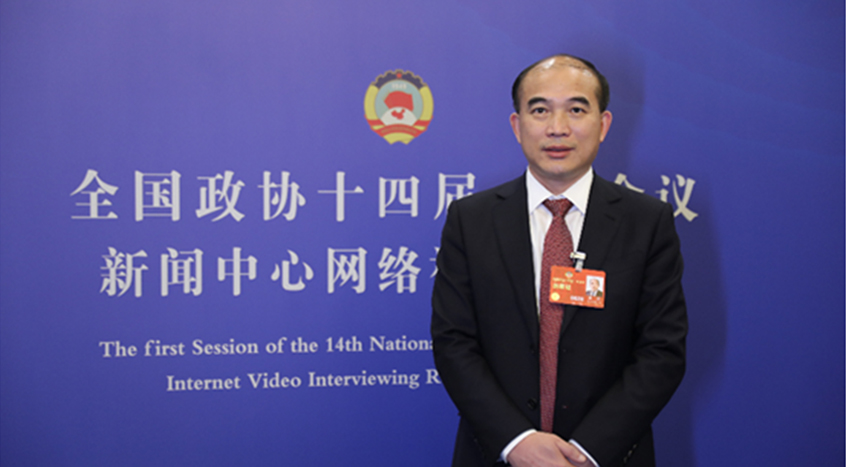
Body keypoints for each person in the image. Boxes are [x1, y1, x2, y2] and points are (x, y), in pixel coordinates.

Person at [431, 54, 687, 467]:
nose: (558, 128)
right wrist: (517, 442)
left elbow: (662, 351)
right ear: (517, 125)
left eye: (576, 109)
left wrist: (587, 450)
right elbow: (453, 343)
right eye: (540, 110)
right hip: (499, 455)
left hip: (608, 458)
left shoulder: (646, 223)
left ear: (603, 124)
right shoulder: (471, 220)